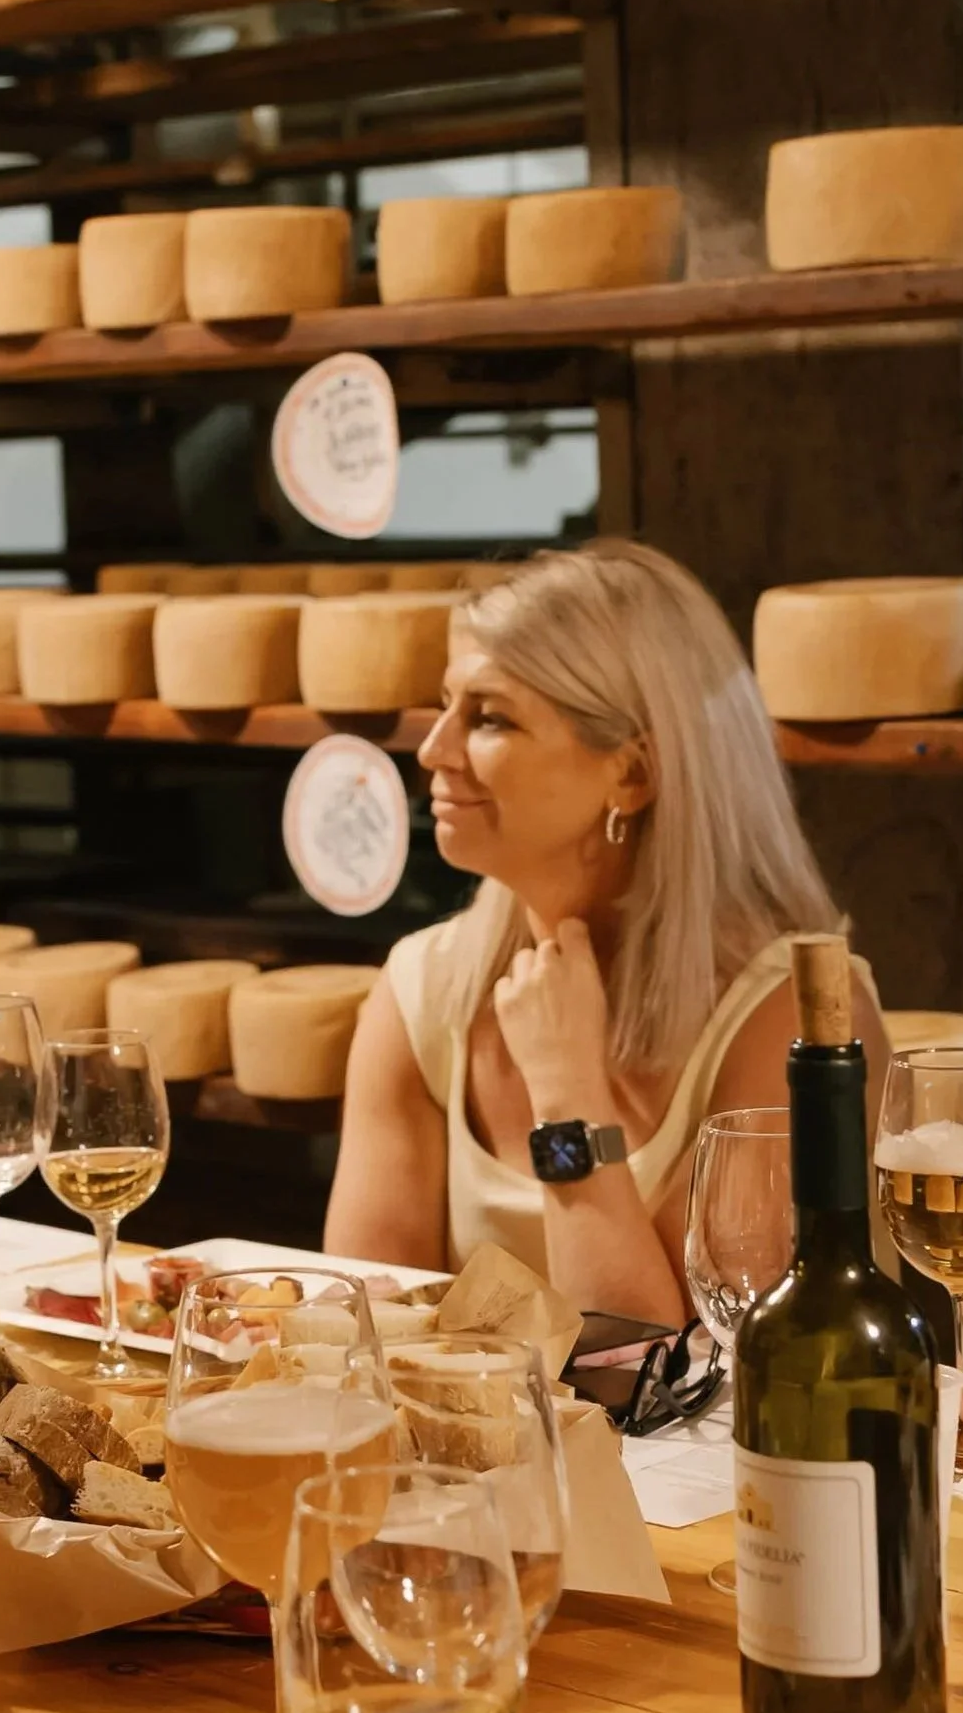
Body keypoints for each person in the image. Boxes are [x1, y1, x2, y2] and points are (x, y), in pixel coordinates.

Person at [326, 538, 888, 1321]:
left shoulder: (795, 1016)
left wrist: (567, 1097)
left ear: (632, 773)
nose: (433, 749)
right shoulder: (422, 988)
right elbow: (364, 1336)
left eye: (489, 718)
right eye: (445, 704)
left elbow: (658, 1372)